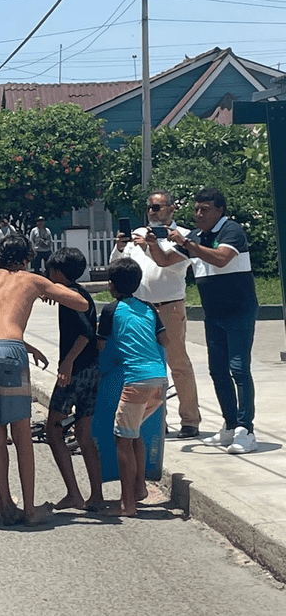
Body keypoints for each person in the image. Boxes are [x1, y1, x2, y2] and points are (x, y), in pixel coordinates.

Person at [0, 233, 88, 526]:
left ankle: (5, 504)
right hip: (9, 349)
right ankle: (31, 510)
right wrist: (50, 288)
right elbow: (81, 304)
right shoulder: (31, 279)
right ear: (27, 258)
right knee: (21, 434)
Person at [149, 188, 259, 454]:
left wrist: (187, 244)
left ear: (219, 210)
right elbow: (165, 261)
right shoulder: (197, 237)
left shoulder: (231, 231)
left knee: (239, 369)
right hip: (214, 314)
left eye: (205, 209)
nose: (198, 214)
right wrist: (153, 244)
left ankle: (247, 430)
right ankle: (230, 425)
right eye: (196, 209)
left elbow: (221, 259)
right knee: (217, 370)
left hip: (239, 311)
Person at [110, 190, 201, 438]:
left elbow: (171, 264)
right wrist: (120, 247)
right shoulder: (137, 234)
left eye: (158, 207)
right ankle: (155, 421)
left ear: (171, 209)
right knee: (147, 367)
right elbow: (118, 265)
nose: (152, 212)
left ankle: (190, 420)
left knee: (177, 363)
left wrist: (151, 246)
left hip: (169, 306)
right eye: (149, 207)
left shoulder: (181, 237)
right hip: (141, 308)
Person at [96, 257, 169, 517]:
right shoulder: (149, 308)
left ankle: (127, 505)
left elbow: (101, 346)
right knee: (133, 433)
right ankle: (138, 489)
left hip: (136, 381)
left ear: (111, 285)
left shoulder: (110, 311)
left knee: (121, 440)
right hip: (159, 381)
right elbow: (165, 339)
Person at [44, 248, 105, 512]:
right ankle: (96, 496)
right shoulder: (79, 293)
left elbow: (86, 333)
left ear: (58, 272)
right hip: (92, 369)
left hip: (76, 370)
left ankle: (73, 493)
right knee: (83, 432)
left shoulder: (74, 299)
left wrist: (67, 362)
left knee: (53, 428)